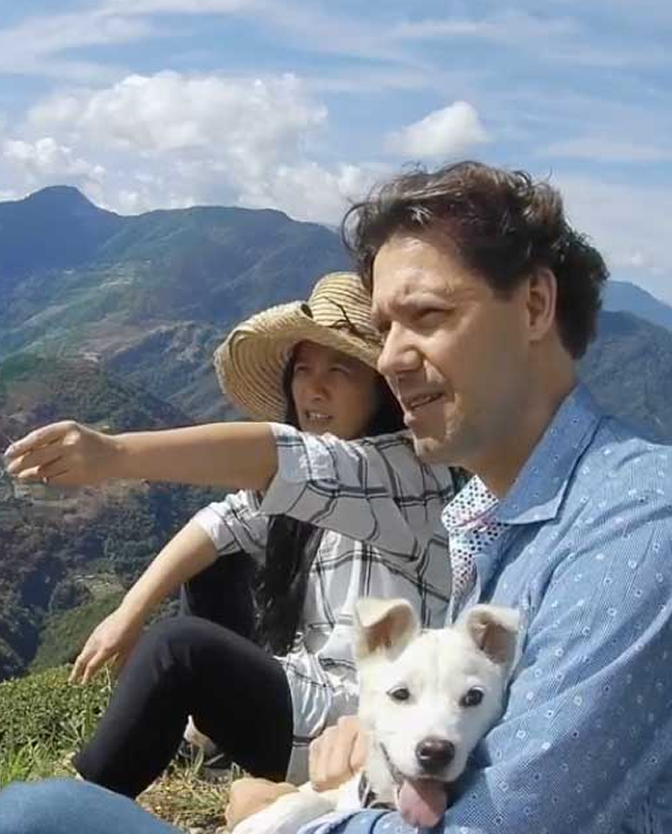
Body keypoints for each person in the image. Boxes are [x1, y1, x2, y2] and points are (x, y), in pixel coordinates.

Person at [4, 160, 672, 834]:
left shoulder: (634, 527)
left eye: (428, 315)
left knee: (40, 815)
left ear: (534, 305)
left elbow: (498, 824)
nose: (391, 359)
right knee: (45, 811)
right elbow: (231, 516)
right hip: (345, 768)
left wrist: (287, 817)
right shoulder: (491, 520)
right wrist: (371, 738)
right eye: (386, 330)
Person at [1, 272, 457, 800]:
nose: (315, 388)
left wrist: (114, 454)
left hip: (357, 723)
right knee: (219, 558)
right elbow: (221, 523)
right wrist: (128, 612)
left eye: (340, 369)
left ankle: (71, 806)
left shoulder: (405, 474)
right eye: (303, 369)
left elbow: (277, 458)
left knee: (178, 650)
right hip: (311, 683)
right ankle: (210, 740)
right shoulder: (334, 480)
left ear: (380, 388)